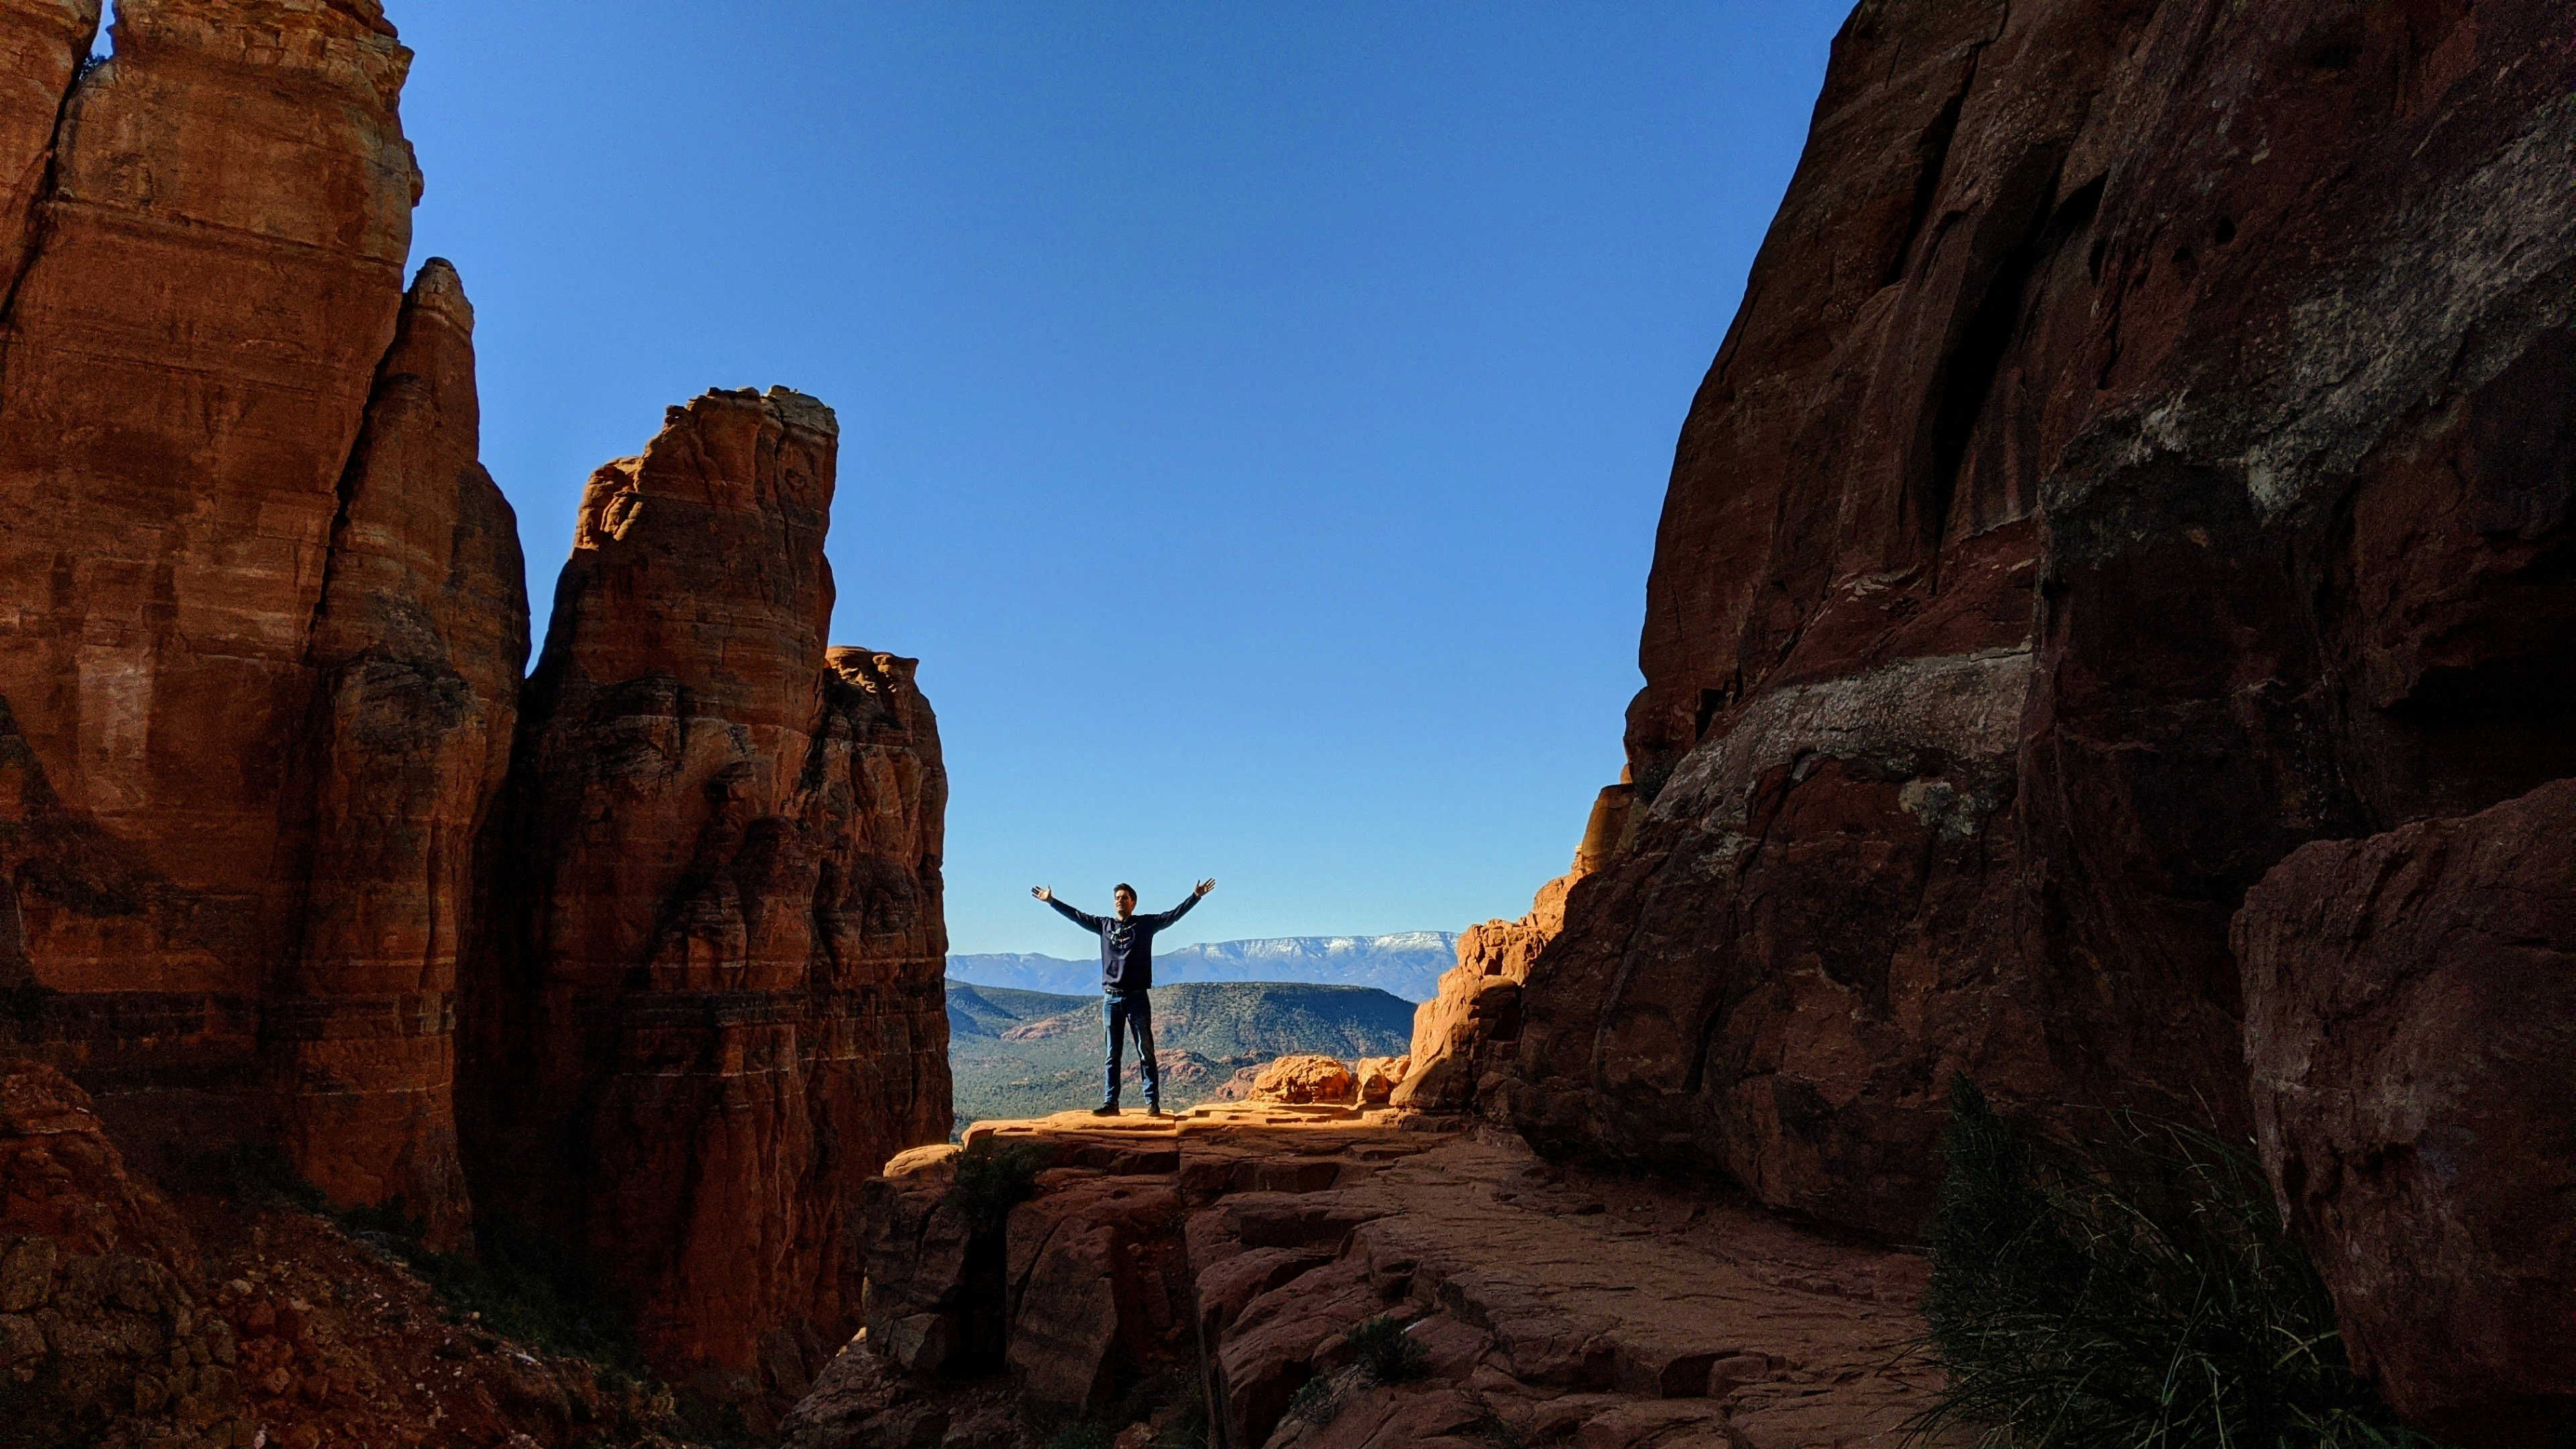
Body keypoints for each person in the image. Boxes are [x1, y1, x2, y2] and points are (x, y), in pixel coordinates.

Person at [1031, 878, 1214, 1117]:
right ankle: (1111, 1103)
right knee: (1112, 1054)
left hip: (1137, 998)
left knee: (1146, 1051)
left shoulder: (1146, 924)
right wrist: (1052, 901)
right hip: (1111, 1000)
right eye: (1117, 898)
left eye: (1124, 898)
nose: (1120, 901)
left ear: (1133, 903)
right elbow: (1077, 915)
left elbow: (1173, 916)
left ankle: (1152, 1104)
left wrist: (1195, 897)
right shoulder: (1104, 925)